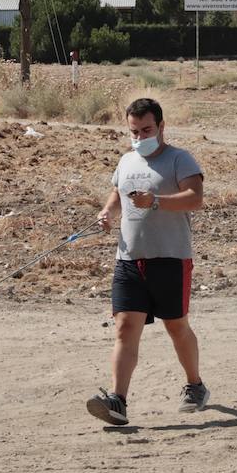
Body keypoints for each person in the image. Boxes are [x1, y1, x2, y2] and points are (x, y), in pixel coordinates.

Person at [88, 97, 209, 427]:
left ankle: (195, 385)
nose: (140, 137)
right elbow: (116, 194)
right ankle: (118, 401)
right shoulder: (126, 160)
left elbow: (195, 198)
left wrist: (155, 201)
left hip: (170, 258)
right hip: (128, 259)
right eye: (134, 131)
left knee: (176, 326)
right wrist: (106, 213)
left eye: (147, 130)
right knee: (125, 328)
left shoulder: (179, 160)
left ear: (161, 127)